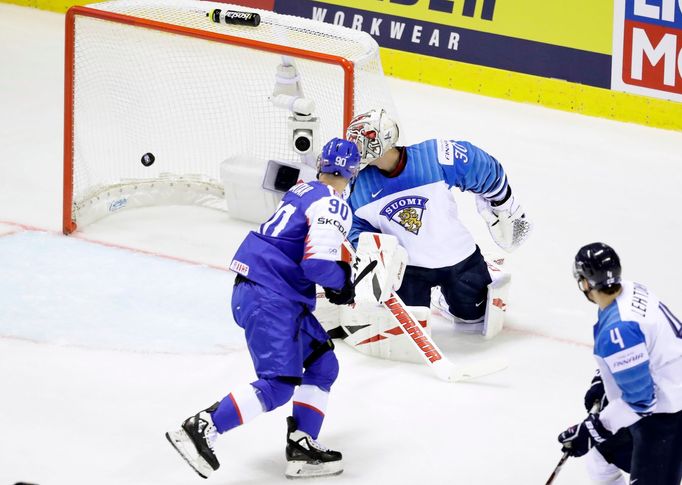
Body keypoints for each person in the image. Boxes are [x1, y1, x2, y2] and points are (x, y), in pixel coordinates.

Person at [165, 138, 360, 480]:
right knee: (280, 383)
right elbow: (316, 266)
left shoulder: (303, 190)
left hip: (267, 292)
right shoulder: (333, 204)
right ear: (352, 174)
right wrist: (341, 281)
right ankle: (203, 427)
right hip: (271, 296)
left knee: (322, 363)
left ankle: (302, 445)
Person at [344, 108, 531, 331]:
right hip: (409, 269)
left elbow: (479, 166)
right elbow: (354, 226)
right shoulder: (358, 186)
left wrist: (502, 202)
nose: (353, 149)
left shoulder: (434, 156)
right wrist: (377, 258)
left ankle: (446, 300)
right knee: (410, 327)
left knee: (474, 317)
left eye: (359, 141)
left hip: (459, 257)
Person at [557, 242, 682, 485]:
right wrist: (603, 381)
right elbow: (638, 350)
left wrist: (593, 429)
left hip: (668, 416)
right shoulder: (631, 290)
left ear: (584, 283)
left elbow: (642, 401)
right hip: (664, 393)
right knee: (601, 456)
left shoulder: (619, 328)